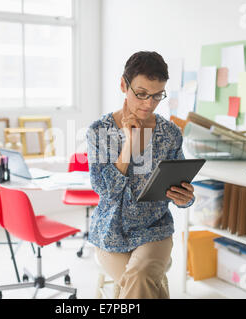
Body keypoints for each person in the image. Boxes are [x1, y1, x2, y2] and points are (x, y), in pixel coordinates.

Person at [86, 51, 195, 299]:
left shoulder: (170, 133)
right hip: (111, 232)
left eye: (157, 96)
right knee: (145, 286)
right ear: (124, 85)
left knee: (140, 277)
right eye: (142, 94)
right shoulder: (99, 131)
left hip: (154, 230)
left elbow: (184, 191)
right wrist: (129, 145)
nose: (149, 104)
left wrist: (185, 198)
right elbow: (106, 190)